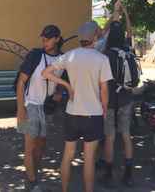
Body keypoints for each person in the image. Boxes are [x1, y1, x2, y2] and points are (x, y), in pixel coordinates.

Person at [42, 21, 113, 192]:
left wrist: (66, 85)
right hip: (93, 114)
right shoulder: (102, 59)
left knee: (67, 156)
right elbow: (104, 90)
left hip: (72, 113)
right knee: (88, 159)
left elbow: (45, 73)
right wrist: (104, 109)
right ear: (94, 37)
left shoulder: (69, 56)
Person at [16, 25, 64, 192]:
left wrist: (59, 93)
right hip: (29, 106)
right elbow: (21, 82)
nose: (44, 41)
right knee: (29, 147)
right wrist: (20, 109)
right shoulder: (35, 55)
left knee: (41, 146)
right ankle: (32, 182)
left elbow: (61, 84)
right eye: (43, 38)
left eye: (48, 38)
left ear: (57, 38)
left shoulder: (62, 59)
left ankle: (32, 174)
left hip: (46, 109)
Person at [100, 0, 135, 187]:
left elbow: (103, 32)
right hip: (126, 99)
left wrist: (114, 12)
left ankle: (108, 173)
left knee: (110, 137)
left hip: (109, 101)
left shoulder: (104, 52)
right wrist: (125, 12)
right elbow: (130, 31)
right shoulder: (127, 48)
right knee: (126, 135)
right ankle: (128, 173)